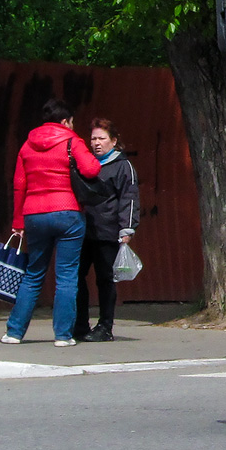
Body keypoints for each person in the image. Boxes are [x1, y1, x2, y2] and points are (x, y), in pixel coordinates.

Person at [3, 97, 102, 347]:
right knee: (66, 276)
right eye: (72, 122)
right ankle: (63, 335)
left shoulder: (27, 145)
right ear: (65, 121)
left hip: (34, 214)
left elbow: (19, 184)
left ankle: (14, 333)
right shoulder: (72, 141)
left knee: (33, 274)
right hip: (68, 212)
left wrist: (18, 221)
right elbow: (91, 170)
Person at [74, 118, 140, 342]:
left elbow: (129, 198)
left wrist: (126, 229)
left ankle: (105, 327)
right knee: (75, 276)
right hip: (83, 230)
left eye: (101, 138)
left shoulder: (123, 166)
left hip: (108, 232)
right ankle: (80, 325)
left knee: (105, 279)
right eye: (93, 138)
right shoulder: (85, 164)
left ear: (113, 141)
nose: (96, 143)